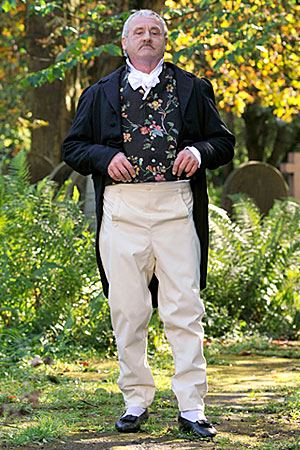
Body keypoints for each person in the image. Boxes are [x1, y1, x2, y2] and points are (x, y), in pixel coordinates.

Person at [62, 9, 235, 439]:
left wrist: (198, 153)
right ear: (124, 43)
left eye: (155, 31)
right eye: (138, 32)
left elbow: (223, 142)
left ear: (164, 41)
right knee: (128, 309)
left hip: (176, 206)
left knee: (184, 309)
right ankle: (135, 399)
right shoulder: (100, 93)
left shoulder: (194, 89)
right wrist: (105, 158)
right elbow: (74, 147)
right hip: (123, 211)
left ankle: (192, 407)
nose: (147, 37)